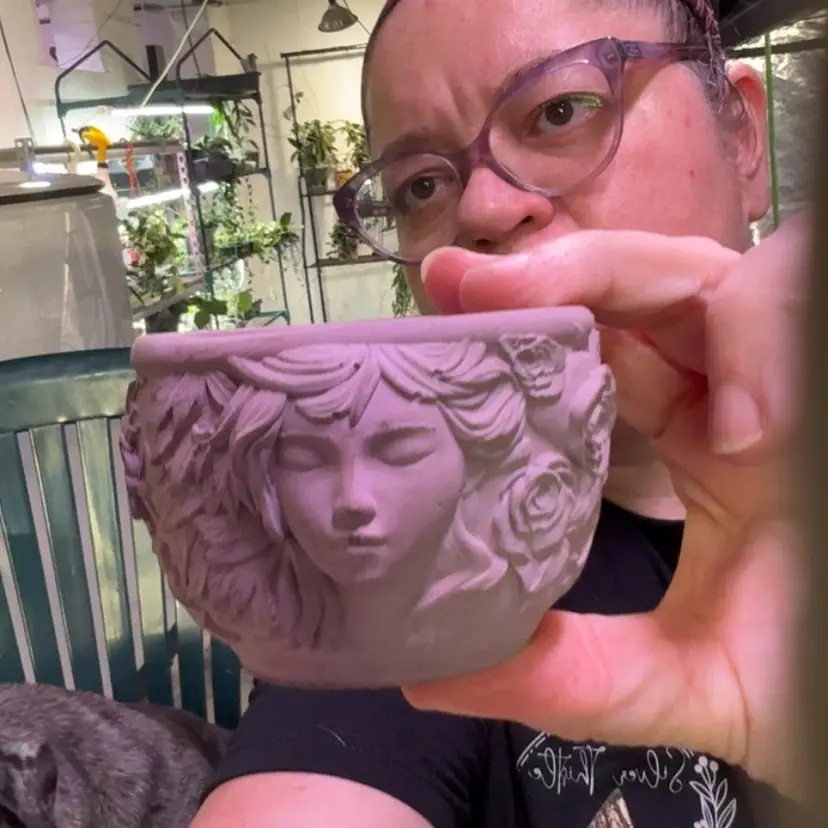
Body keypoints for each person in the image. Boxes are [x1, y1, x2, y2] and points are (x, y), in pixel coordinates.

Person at [192, 0, 804, 825]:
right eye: (420, 185)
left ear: (742, 134)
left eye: (559, 110)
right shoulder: (411, 578)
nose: (480, 210)